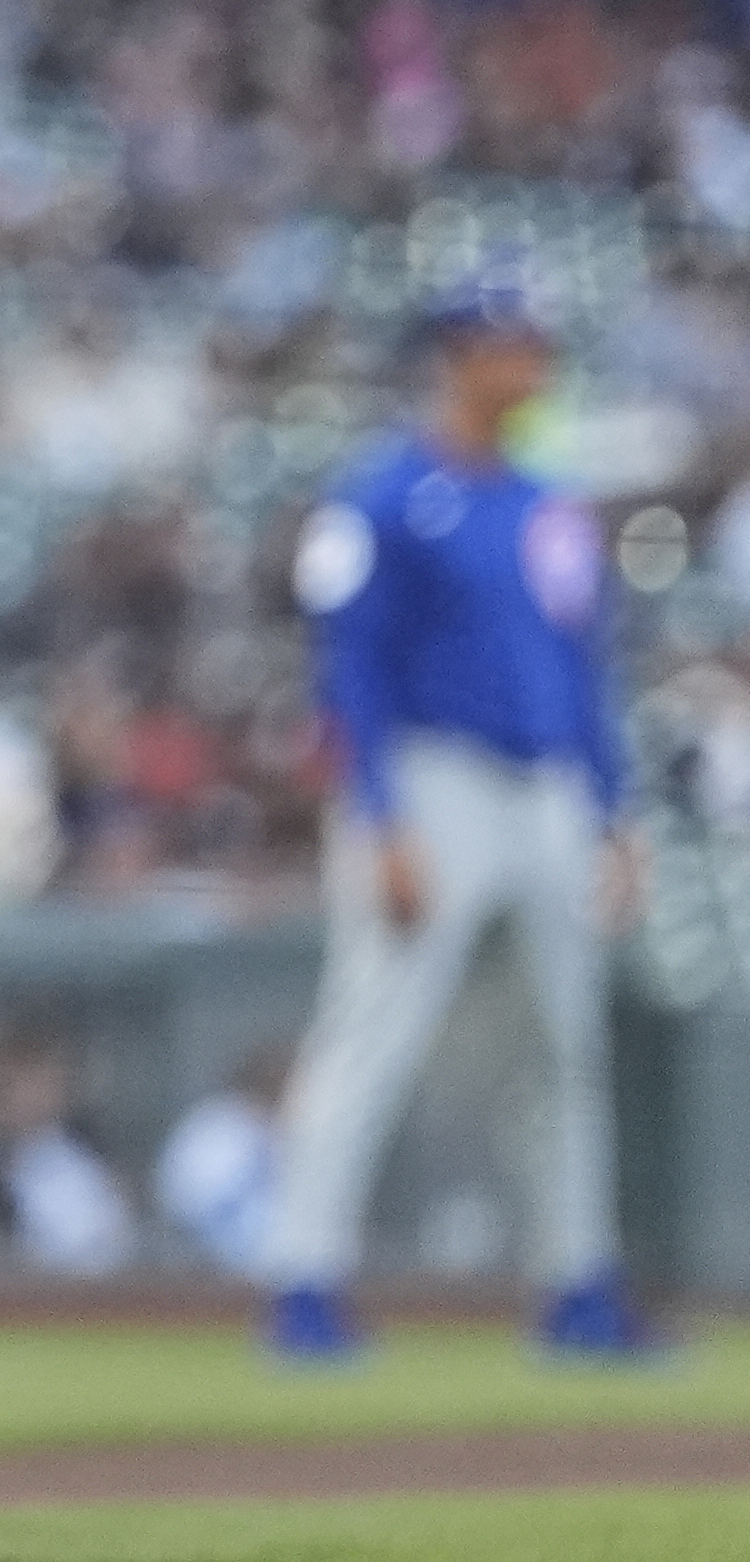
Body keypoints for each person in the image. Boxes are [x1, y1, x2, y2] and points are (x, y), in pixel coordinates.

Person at [262, 274, 653, 1362]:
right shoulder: (384, 493)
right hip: (431, 778)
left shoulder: (547, 502)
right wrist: (381, 818)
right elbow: (352, 667)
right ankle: (304, 1281)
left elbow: (585, 669)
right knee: (371, 1028)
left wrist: (616, 812)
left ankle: (578, 1284)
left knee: (561, 1047)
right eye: (511, 341)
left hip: (548, 789)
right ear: (457, 354)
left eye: (536, 342)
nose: (532, 360)